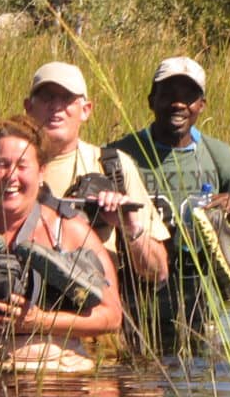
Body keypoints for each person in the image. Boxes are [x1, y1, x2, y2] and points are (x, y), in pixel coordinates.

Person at [108, 56, 230, 349]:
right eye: (168, 94)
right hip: (134, 317)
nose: (178, 104)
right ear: (151, 100)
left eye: (188, 96)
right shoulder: (119, 156)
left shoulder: (218, 156)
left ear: (201, 105)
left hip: (204, 318)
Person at [0, 115, 124, 371]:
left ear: (41, 172)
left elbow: (112, 316)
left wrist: (39, 321)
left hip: (58, 382)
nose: (10, 176)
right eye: (1, 164)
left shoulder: (69, 231)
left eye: (22, 166)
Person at [22, 61, 170, 287]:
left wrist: (129, 227)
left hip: (94, 312)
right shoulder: (10, 168)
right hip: (25, 306)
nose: (56, 106)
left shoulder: (113, 166)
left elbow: (157, 271)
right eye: (47, 97)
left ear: (86, 110)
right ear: (28, 108)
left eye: (67, 98)